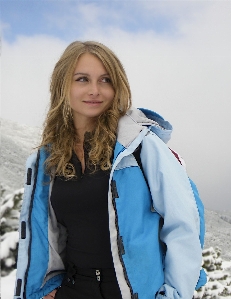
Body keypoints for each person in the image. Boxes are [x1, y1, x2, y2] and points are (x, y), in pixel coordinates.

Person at [14, 41, 203, 299]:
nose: (95, 90)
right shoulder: (49, 158)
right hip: (71, 289)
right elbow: (48, 232)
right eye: (82, 79)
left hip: (133, 293)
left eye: (105, 80)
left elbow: (183, 224)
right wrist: (48, 286)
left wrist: (175, 294)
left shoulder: (138, 147)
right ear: (62, 85)